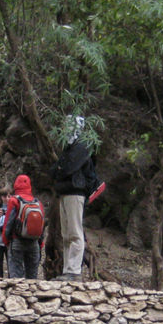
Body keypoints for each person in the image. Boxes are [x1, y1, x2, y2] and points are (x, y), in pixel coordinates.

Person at [51, 116, 103, 282]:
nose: (65, 128)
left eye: (68, 125)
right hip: (65, 193)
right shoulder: (70, 147)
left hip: (75, 193)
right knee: (66, 234)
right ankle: (68, 270)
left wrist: (59, 169)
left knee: (74, 232)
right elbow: (56, 169)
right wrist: (59, 169)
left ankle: (74, 271)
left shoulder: (81, 146)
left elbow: (67, 168)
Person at [2, 174, 44, 279]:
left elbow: (8, 223)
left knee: (16, 278)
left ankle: (17, 295)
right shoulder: (38, 203)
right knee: (32, 279)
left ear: (16, 185)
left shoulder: (14, 201)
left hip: (17, 242)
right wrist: (41, 243)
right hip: (34, 243)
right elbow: (42, 226)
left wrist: (6, 240)